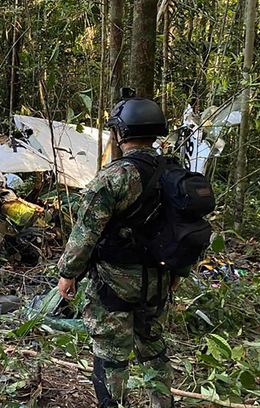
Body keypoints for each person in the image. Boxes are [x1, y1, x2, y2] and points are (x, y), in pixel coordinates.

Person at [56, 96, 179, 408]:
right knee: (152, 344)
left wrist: (67, 273)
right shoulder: (174, 173)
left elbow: (85, 233)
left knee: (111, 351)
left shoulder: (116, 176)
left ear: (120, 133)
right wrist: (177, 273)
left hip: (115, 282)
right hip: (160, 278)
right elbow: (187, 229)